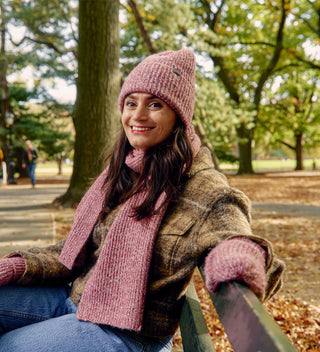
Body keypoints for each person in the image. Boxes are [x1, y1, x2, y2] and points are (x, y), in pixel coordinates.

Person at [0, 49, 284, 352]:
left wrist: (237, 255)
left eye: (155, 104)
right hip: (74, 299)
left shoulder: (202, 187)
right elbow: (72, 251)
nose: (137, 115)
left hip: (124, 333)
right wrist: (17, 267)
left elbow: (232, 228)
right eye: (131, 103)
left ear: (179, 115)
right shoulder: (123, 171)